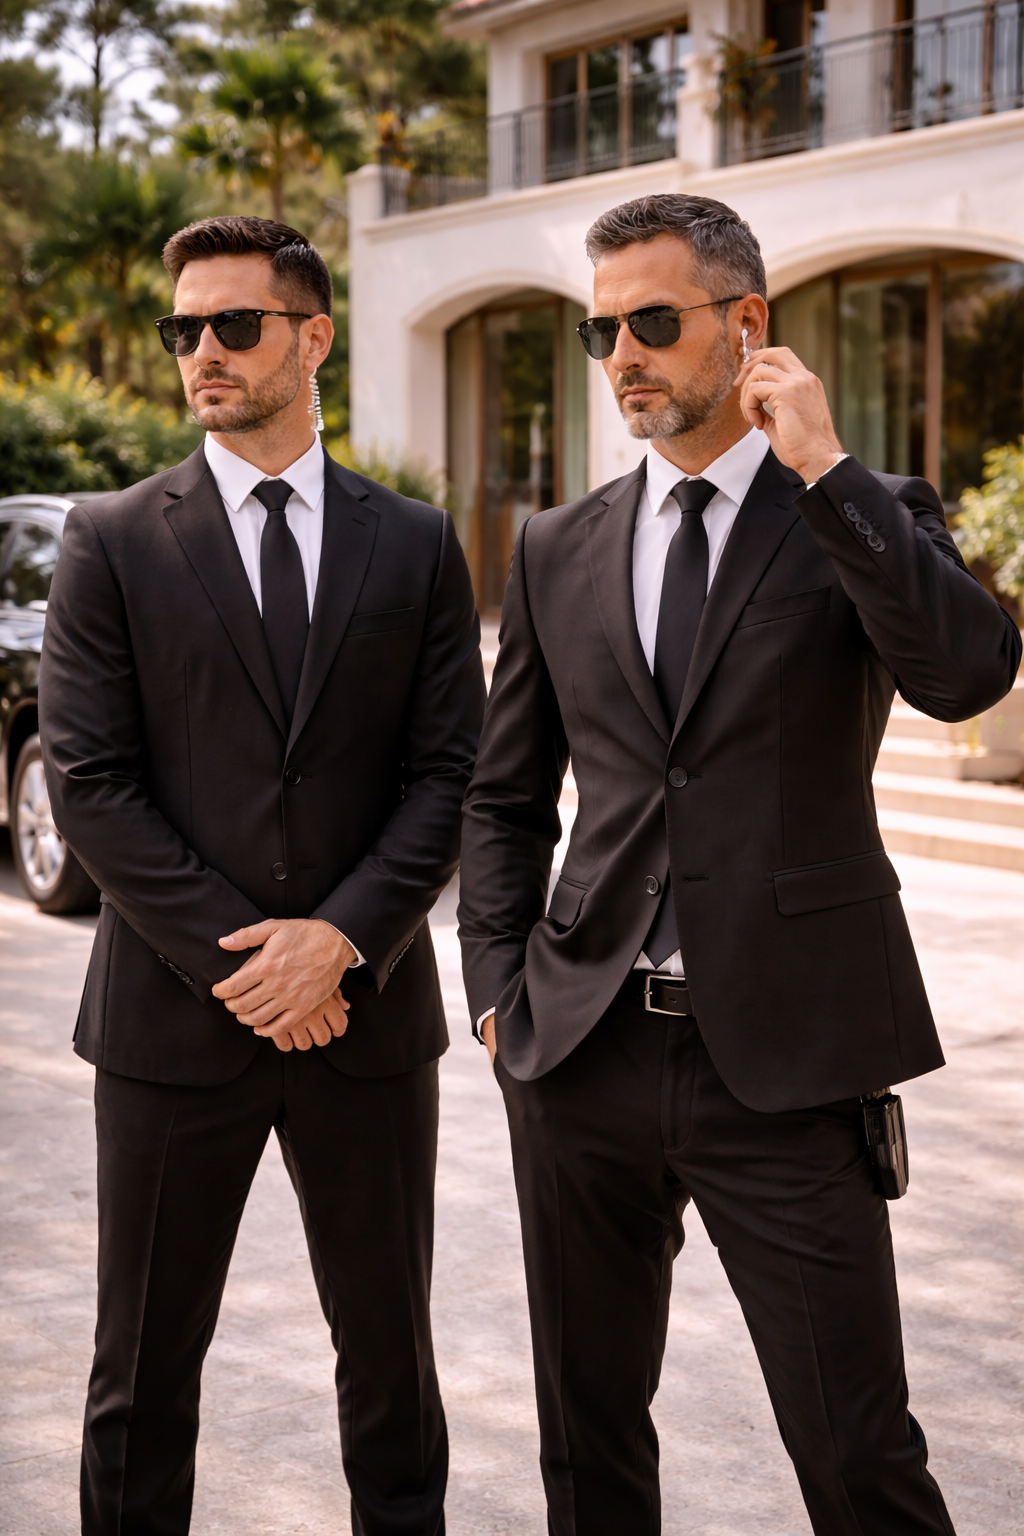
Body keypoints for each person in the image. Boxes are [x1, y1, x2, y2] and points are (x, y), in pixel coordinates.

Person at [458, 193, 1021, 1536]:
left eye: (653, 323)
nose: (623, 359)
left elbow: (967, 674)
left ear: (746, 324)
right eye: (603, 332)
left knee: (860, 1459)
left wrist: (826, 471)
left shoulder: (859, 511)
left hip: (790, 1062)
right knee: (587, 1458)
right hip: (581, 1053)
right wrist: (496, 993)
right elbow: (506, 794)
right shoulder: (556, 545)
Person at [39, 214, 484, 1536]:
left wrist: (338, 942)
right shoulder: (112, 538)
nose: (203, 354)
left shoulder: (414, 542)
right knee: (141, 1376)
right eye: (185, 329)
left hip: (366, 1019)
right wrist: (257, 962)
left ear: (314, 338)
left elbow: (449, 776)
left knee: (392, 1368)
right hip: (176, 1025)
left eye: (235, 325)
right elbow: (93, 785)